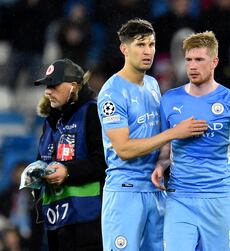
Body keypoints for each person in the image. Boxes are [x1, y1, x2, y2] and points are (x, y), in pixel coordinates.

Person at [97, 19, 207, 251]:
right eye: (140, 45)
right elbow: (124, 149)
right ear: (124, 49)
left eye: (151, 44)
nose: (148, 51)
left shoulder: (152, 85)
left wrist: (165, 157)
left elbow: (157, 134)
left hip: (155, 188)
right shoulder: (112, 92)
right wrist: (172, 133)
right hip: (125, 191)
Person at [151, 31, 230, 251]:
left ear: (214, 62)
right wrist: (161, 164)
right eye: (188, 60)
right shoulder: (169, 100)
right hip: (180, 198)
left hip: (220, 199)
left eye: (199, 60)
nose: (192, 66)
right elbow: (165, 146)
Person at [33, 58, 106, 250]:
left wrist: (68, 171)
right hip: (56, 220)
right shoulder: (50, 121)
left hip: (87, 222)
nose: (48, 91)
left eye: (53, 85)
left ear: (73, 86)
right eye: (46, 86)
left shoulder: (92, 112)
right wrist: (35, 174)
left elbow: (103, 163)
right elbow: (43, 159)